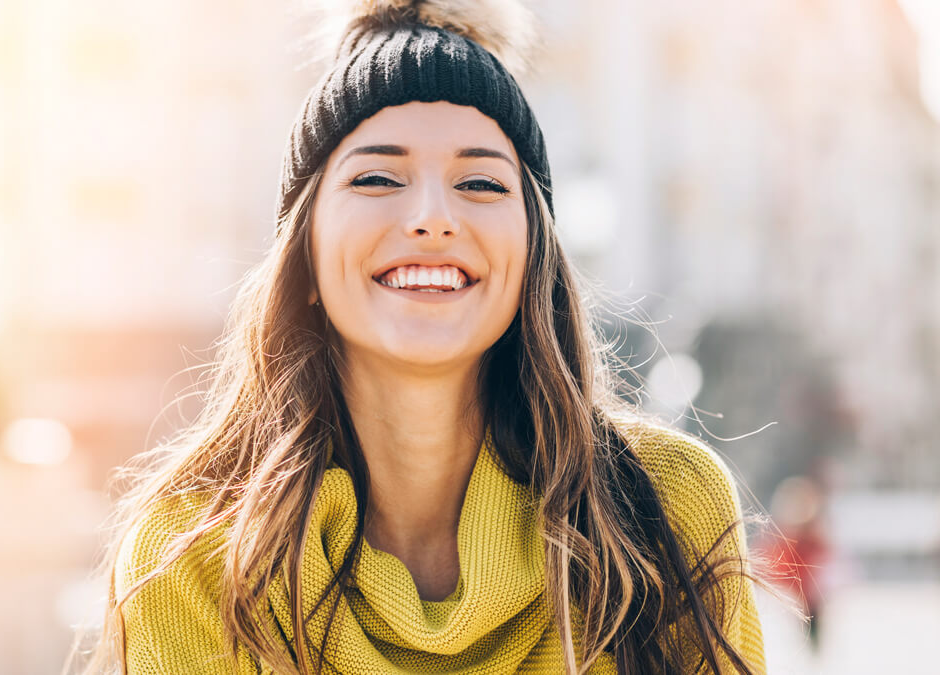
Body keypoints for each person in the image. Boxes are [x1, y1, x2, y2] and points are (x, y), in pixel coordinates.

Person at [69, 1, 766, 673]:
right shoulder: (189, 557)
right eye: (376, 177)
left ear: (533, 256)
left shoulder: (665, 507)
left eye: (481, 184)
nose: (433, 216)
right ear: (305, 254)